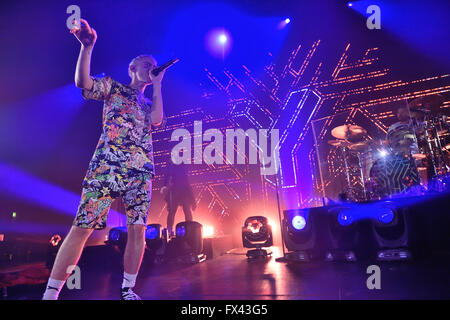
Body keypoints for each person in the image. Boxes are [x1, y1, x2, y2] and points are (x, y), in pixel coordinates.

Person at [42, 18, 165, 300]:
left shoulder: (148, 104)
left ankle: (128, 289)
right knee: (82, 228)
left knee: (138, 230)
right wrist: (87, 47)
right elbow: (82, 82)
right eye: (146, 64)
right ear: (133, 69)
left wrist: (158, 86)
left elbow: (157, 120)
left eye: (153, 64)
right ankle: (50, 294)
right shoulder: (113, 88)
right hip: (106, 169)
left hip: (140, 172)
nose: (151, 67)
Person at [160, 162, 196, 237]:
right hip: (176, 189)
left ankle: (189, 229)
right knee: (173, 211)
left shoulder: (180, 166)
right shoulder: (172, 166)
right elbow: (167, 176)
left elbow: (186, 180)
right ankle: (169, 230)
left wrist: (193, 201)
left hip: (183, 189)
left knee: (186, 210)